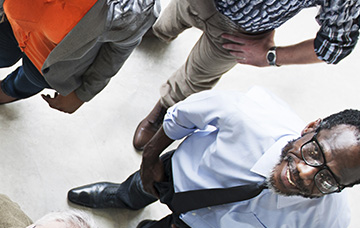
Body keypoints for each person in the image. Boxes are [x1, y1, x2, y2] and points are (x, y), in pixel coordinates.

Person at [68, 87, 360, 228]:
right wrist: (150, 160)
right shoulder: (247, 114)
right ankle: (124, 197)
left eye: (328, 180)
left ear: (342, 187)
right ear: (311, 127)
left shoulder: (326, 223)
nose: (306, 174)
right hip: (175, 175)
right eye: (315, 152)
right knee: (138, 187)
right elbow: (181, 117)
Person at [132, 0, 360, 149]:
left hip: (239, 31)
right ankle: (158, 33)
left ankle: (164, 109)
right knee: (167, 23)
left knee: (195, 78)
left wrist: (271, 56)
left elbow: (334, 45)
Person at [0, 0, 158, 109]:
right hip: (4, 22)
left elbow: (119, 47)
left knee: (29, 80)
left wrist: (84, 93)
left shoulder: (133, 8)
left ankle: (9, 90)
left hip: (52, 61)